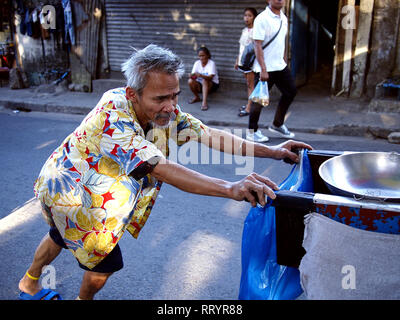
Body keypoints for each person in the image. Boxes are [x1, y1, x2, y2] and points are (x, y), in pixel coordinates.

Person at [18, 44, 311, 300]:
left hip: (76, 186)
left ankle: (29, 284)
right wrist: (230, 188)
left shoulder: (163, 110)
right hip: (72, 194)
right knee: (105, 264)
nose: (171, 107)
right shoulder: (113, 116)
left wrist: (273, 150)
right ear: (132, 94)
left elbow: (206, 133)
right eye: (161, 99)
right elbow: (162, 169)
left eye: (175, 95)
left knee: (58, 235)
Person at [246, 0, 297, 143]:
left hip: (279, 66)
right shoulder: (262, 18)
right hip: (264, 68)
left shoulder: (284, 18)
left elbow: (281, 41)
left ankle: (277, 124)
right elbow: (257, 44)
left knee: (291, 91)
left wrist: (284, 59)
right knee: (259, 100)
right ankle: (252, 131)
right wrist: (263, 69)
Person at [235, 7, 258, 117]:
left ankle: (249, 108)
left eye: (250, 16)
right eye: (245, 15)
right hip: (242, 62)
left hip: (250, 63)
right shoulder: (244, 30)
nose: (247, 18)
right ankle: (249, 104)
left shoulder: (256, 31)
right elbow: (241, 47)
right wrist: (237, 61)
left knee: (251, 85)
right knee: (248, 84)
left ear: (254, 17)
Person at [188, 46, 219, 111]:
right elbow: (194, 76)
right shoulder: (197, 63)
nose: (201, 58)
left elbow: (211, 77)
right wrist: (192, 76)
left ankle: (204, 102)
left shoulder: (211, 63)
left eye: (203, 56)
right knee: (190, 81)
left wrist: (201, 75)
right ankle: (197, 97)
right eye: (199, 56)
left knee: (205, 80)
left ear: (207, 55)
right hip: (200, 84)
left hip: (212, 85)